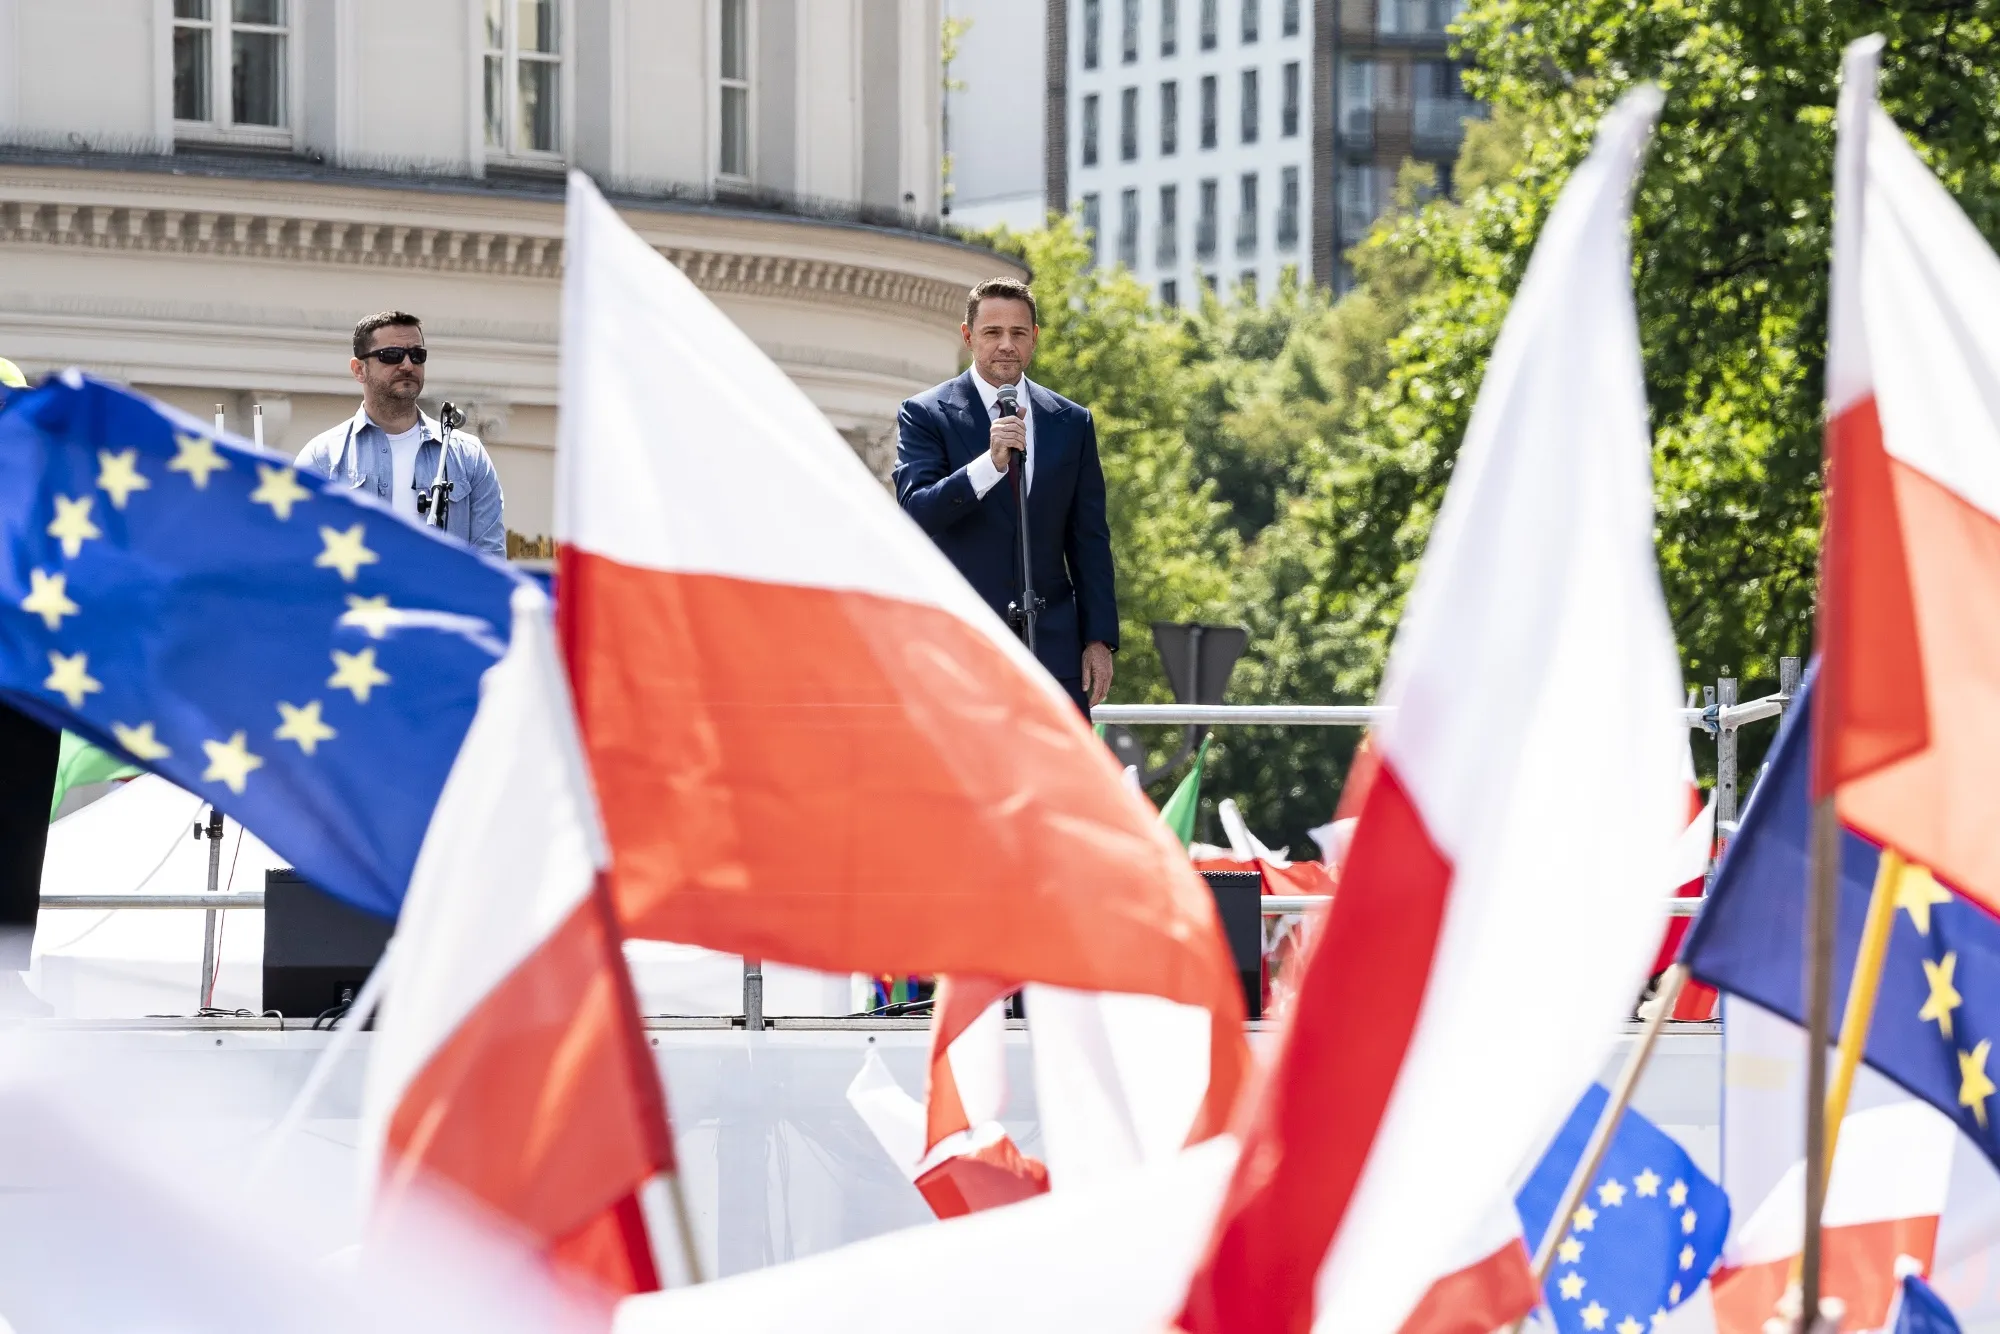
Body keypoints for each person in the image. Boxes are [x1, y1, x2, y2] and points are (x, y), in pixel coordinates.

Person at [894, 278, 1117, 715]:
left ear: (1034, 337)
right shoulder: (925, 414)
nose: (1006, 346)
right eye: (992, 333)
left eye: (1018, 333)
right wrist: (989, 466)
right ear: (968, 336)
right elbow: (916, 512)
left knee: (1058, 781)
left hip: (1053, 650)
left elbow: (1089, 538)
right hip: (963, 644)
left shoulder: (1071, 422)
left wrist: (1098, 638)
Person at [296, 311, 506, 558]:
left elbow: (489, 560)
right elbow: (301, 549)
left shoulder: (467, 455)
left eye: (417, 356)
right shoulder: (323, 457)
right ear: (359, 369)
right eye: (391, 355)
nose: (407, 365)